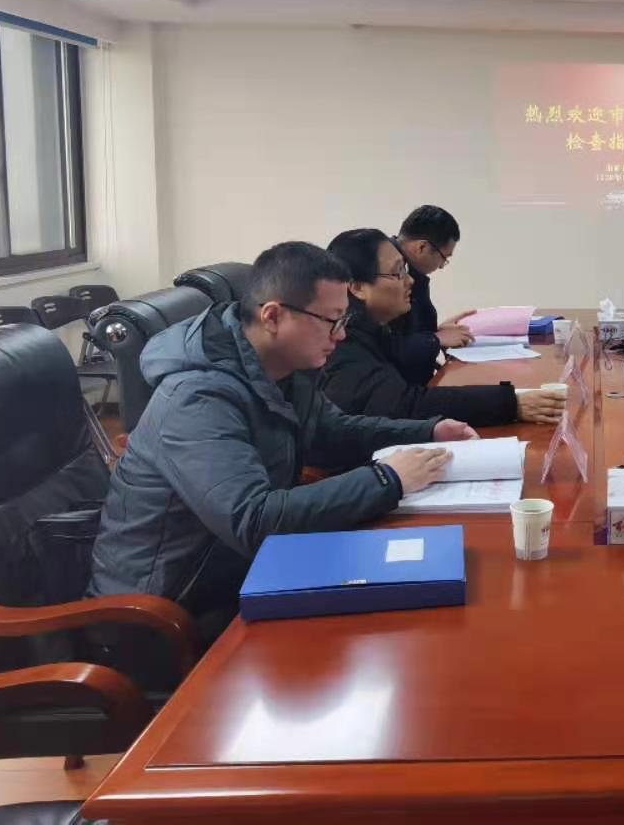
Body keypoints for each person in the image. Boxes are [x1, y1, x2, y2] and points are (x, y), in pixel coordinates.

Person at [88, 241, 478, 630]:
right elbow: (253, 520)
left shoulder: (285, 367)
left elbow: (331, 430)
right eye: (332, 321)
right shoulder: (195, 399)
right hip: (164, 618)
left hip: (246, 575)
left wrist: (428, 431)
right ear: (273, 316)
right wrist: (387, 478)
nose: (342, 335)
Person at [322, 228, 566, 427]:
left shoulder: (375, 328)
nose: (410, 280)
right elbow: (405, 405)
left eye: (405, 269)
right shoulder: (343, 341)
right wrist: (511, 403)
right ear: (357, 287)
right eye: (397, 272)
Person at [386, 205, 473, 384]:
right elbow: (385, 347)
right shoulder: (385, 275)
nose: (441, 266)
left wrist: (436, 332)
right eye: (444, 257)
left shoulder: (411, 270)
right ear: (422, 247)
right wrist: (434, 339)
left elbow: (407, 333)